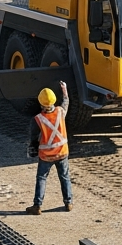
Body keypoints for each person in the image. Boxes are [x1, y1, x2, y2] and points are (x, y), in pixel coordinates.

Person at [25, 81, 73, 214]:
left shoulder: (38, 119)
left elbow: (34, 138)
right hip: (62, 152)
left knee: (41, 178)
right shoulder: (60, 112)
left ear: (40, 103)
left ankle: (37, 205)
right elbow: (66, 102)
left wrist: (33, 148)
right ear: (54, 101)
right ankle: (68, 202)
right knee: (65, 177)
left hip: (46, 155)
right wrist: (64, 90)